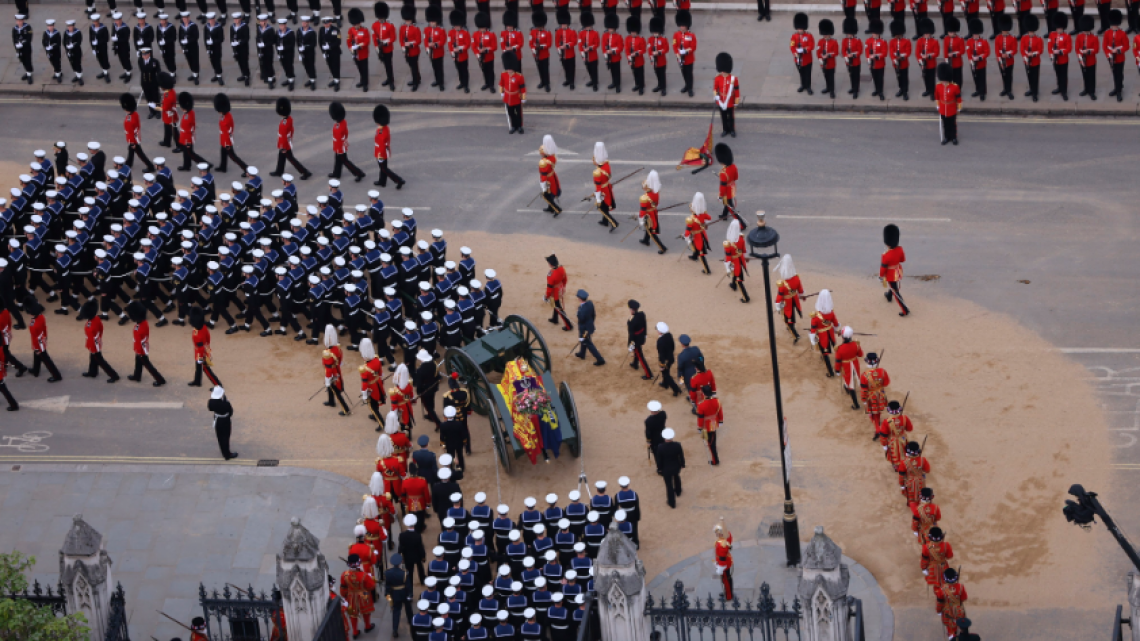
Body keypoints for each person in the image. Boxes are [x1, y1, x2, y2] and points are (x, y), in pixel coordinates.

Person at [127, 301, 166, 386]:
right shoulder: (144, 323)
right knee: (138, 363)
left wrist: (138, 351)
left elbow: (138, 341)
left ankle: (160, 380)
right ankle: (137, 376)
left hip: (141, 349)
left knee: (148, 365)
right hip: (143, 347)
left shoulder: (138, 329)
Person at [80, 299, 120, 382]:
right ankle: (92, 372)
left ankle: (114, 375)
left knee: (100, 360)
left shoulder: (92, 324)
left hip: (94, 344)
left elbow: (92, 337)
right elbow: (101, 329)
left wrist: (92, 347)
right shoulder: (96, 318)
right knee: (93, 358)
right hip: (95, 342)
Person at [328, 101, 366, 181]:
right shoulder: (342, 122)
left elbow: (338, 138)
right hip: (339, 146)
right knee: (338, 160)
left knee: (346, 162)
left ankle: (359, 173)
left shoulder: (339, 127)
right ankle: (336, 173)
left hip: (340, 147)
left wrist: (338, 149)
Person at [342, 554, 378, 636]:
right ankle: (367, 626)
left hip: (351, 596)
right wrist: (371, 578)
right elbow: (372, 586)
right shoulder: (364, 575)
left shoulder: (344, 574)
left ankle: (355, 632)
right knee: (366, 612)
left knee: (353, 614)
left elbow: (343, 588)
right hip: (363, 596)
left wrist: (344, 596)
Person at [121, 93, 156, 174]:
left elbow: (130, 133)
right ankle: (129, 163)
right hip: (136, 136)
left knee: (140, 154)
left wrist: (132, 142)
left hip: (133, 139)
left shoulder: (128, 120)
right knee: (130, 150)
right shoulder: (135, 114)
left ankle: (150, 166)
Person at [808, 289, 839, 377]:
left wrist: (813, 340)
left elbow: (813, 330)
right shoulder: (831, 313)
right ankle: (838, 367)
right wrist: (836, 329)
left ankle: (830, 372)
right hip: (831, 332)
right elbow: (836, 323)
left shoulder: (816, 317)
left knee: (825, 354)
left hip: (822, 336)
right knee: (836, 348)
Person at [323, 324, 352, 415]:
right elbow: (340, 360)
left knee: (335, 391)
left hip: (332, 373)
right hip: (337, 370)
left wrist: (327, 379)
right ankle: (331, 401)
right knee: (331, 388)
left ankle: (346, 409)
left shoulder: (328, 352)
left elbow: (328, 368)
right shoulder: (337, 348)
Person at [880, 223, 909, 314]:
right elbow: (903, 260)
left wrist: (881, 277)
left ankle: (905, 310)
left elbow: (883, 268)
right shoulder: (900, 249)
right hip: (898, 271)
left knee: (895, 291)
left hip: (891, 275)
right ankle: (889, 295)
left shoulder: (886, 255)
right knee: (893, 286)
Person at [858, 352, 890, 432]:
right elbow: (886, 384)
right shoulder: (882, 371)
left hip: (871, 396)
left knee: (872, 414)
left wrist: (864, 400)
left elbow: (864, 390)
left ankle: (877, 429)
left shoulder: (864, 375)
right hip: (881, 394)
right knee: (878, 411)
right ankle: (878, 425)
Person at [934, 568, 968, 640]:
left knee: (950, 627)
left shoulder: (942, 589)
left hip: (948, 611)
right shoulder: (961, 586)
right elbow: (963, 598)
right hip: (959, 609)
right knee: (961, 624)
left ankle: (952, 637)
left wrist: (939, 611)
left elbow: (939, 603)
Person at [834, 326, 863, 410]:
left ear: (843, 337)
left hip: (846, 366)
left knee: (850, 384)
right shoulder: (856, 344)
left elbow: (838, 361)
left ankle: (856, 405)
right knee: (853, 378)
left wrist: (837, 370)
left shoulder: (840, 348)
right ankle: (846, 387)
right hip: (855, 364)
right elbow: (860, 354)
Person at [207, 386, 239, 459]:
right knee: (226, 437)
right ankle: (227, 455)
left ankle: (223, 451)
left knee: (220, 437)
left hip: (217, 420)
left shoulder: (211, 402)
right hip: (225, 421)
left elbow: (210, 408)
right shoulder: (226, 403)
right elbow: (230, 412)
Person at [543, 254, 573, 331]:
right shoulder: (562, 268)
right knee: (555, 305)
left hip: (554, 293)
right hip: (560, 289)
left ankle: (568, 325)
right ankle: (555, 319)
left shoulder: (551, 274)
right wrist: (563, 287)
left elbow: (549, 289)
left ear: (550, 264)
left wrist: (546, 296)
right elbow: (565, 279)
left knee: (559, 308)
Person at [1103, 10, 1128, 101]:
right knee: (1114, 73)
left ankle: (1119, 91)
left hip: (1120, 57)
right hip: (1111, 57)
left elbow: (1126, 46)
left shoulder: (1122, 33)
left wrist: (1118, 50)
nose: (1114, 26)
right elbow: (1104, 46)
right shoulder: (1107, 33)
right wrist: (1108, 55)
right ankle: (1117, 87)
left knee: (1119, 74)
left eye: (1115, 24)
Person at [575, 289, 604, 366]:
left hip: (584, 330)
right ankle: (582, 353)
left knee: (589, 344)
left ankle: (600, 359)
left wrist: (577, 313)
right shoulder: (590, 303)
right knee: (584, 342)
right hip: (589, 326)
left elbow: (581, 319)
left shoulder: (581, 310)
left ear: (580, 299)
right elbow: (593, 315)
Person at [656, 428, 684, 507]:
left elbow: (659, 460)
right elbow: (681, 456)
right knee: (677, 477)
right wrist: (682, 464)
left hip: (666, 469)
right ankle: (678, 491)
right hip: (676, 466)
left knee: (669, 485)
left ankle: (672, 502)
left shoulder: (660, 447)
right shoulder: (677, 445)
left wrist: (659, 468)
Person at [386, 554, 413, 635]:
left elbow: (387, 585)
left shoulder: (388, 573)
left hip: (395, 594)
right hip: (404, 593)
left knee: (396, 611)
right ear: (400, 563)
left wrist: (388, 595)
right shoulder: (404, 573)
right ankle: (411, 620)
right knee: (408, 608)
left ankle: (395, 629)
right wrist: (410, 594)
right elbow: (408, 585)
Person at [500, 52, 526, 134]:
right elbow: (501, 84)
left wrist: (523, 98)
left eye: (510, 69)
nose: (509, 70)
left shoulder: (519, 76)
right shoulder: (503, 75)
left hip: (517, 97)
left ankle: (520, 126)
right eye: (508, 68)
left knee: (519, 114)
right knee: (511, 113)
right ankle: (513, 126)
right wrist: (502, 93)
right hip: (508, 97)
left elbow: (522, 88)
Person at [373, 2, 397, 90]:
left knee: (388, 65)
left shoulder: (390, 25)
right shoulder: (375, 25)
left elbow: (393, 38)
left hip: (388, 48)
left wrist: (386, 43)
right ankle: (389, 78)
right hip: (380, 48)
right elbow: (374, 36)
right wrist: (376, 46)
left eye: (381, 17)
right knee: (385, 64)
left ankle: (391, 81)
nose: (380, 19)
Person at [654, 323, 682, 396]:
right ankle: (665, 383)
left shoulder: (660, 341)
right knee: (666, 372)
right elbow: (673, 347)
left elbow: (661, 355)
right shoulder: (669, 335)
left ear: (660, 331)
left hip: (665, 361)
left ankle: (676, 389)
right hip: (670, 358)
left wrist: (662, 365)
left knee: (666, 375)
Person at [1047, 13, 1071, 100]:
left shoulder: (1067, 36)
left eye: (1060, 28)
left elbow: (1069, 48)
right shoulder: (1052, 35)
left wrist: (1060, 51)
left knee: (1063, 75)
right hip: (1055, 59)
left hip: (1063, 59)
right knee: (1057, 74)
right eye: (1057, 28)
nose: (1058, 30)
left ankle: (1064, 91)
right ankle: (1059, 88)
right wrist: (1051, 55)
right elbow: (1049, 46)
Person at [672, 10, 696, 96]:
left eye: (683, 25)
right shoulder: (676, 35)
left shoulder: (691, 35)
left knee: (689, 74)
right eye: (681, 25)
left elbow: (693, 47)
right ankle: (686, 85)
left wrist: (686, 51)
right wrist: (677, 53)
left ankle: (690, 88)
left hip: (689, 58)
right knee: (684, 73)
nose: (682, 27)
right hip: (680, 58)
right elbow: (674, 45)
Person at [1075, 16, 1099, 99]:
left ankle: (1092, 91)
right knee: (1085, 75)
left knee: (1091, 76)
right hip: (1082, 60)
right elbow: (1077, 48)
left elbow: (1096, 49)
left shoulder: (1094, 37)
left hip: (1091, 60)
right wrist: (1080, 55)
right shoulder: (1079, 36)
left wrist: (1088, 51)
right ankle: (1086, 89)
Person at [447, 9, 471, 92]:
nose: (456, 27)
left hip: (463, 55)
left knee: (464, 71)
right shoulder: (450, 32)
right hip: (455, 56)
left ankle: (466, 85)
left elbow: (468, 44)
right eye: (455, 25)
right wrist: (452, 53)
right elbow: (450, 44)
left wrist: (460, 48)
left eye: (457, 25)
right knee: (459, 70)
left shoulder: (465, 33)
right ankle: (461, 82)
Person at [626, 300, 651, 379]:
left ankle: (649, 374)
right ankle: (635, 364)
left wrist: (630, 344)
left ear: (632, 309)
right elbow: (645, 325)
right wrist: (645, 335)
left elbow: (631, 334)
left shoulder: (631, 321)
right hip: (641, 337)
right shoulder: (642, 314)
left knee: (640, 356)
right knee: (637, 352)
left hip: (635, 340)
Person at [965, 18, 989, 100]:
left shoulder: (983, 41)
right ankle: (978, 90)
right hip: (973, 63)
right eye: (974, 34)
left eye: (976, 34)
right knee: (975, 77)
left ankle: (982, 92)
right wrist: (971, 59)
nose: (975, 35)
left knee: (982, 78)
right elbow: (968, 51)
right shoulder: (969, 41)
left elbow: (987, 52)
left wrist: (980, 57)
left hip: (981, 63)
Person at [400, 4, 423, 90]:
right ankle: (418, 78)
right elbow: (401, 38)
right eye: (406, 20)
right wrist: (403, 47)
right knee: (411, 65)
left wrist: (411, 44)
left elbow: (418, 40)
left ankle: (415, 82)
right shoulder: (402, 27)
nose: (407, 22)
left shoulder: (415, 28)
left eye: (408, 20)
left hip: (414, 51)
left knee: (414, 67)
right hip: (406, 51)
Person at [791, 13, 814, 94]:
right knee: (801, 73)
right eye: (798, 28)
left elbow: (811, 46)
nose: (800, 30)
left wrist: (805, 50)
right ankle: (803, 85)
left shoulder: (809, 35)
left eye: (801, 28)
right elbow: (792, 46)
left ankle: (808, 86)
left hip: (807, 59)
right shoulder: (794, 36)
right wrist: (795, 53)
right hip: (798, 59)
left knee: (808, 74)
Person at [538, 135, 562, 215]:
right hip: (553, 176)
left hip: (548, 179)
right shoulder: (553, 157)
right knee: (552, 192)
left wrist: (543, 184)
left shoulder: (544, 162)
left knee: (547, 195)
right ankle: (550, 208)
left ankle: (556, 209)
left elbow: (543, 174)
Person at [865, 19, 888, 99]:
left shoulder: (883, 41)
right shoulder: (868, 41)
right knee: (874, 77)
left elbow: (884, 53)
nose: (873, 34)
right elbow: (867, 51)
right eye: (873, 32)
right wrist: (868, 60)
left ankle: (880, 91)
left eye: (875, 32)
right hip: (872, 63)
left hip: (880, 64)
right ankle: (877, 90)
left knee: (880, 78)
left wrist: (877, 56)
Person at [319, 15, 342, 91]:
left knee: (336, 66)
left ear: (330, 22)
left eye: (327, 23)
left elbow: (338, 41)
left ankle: (337, 81)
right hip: (327, 52)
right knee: (330, 66)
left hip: (334, 52)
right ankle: (335, 79)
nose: (325, 24)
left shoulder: (335, 30)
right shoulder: (321, 30)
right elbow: (320, 41)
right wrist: (323, 51)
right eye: (324, 23)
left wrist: (330, 46)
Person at [713, 520, 733, 600]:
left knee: (726, 580)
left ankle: (728, 596)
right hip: (727, 561)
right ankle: (727, 593)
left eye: (717, 533)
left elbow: (722, 558)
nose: (716, 534)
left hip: (723, 564)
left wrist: (719, 568)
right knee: (727, 579)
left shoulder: (722, 545)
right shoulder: (727, 537)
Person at [13, 14, 35, 85]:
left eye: (20, 21)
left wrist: (22, 44)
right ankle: (28, 71)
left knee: (27, 60)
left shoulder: (28, 27)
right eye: (18, 21)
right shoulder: (14, 29)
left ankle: (29, 74)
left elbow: (29, 38)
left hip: (26, 48)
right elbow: (14, 39)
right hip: (19, 49)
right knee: (22, 60)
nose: (19, 22)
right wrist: (16, 48)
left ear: (23, 20)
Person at [64, 19, 84, 85]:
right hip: (69, 52)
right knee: (72, 63)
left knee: (77, 64)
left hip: (76, 51)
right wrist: (67, 47)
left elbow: (79, 41)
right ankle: (77, 75)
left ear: (73, 26)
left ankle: (79, 77)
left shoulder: (78, 32)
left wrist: (73, 45)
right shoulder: (66, 32)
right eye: (68, 26)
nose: (69, 28)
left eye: (71, 26)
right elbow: (64, 41)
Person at [43, 18, 63, 84]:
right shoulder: (45, 33)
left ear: (53, 26)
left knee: (57, 63)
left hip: (56, 52)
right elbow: (43, 41)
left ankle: (58, 74)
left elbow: (59, 43)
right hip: (49, 51)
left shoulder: (57, 33)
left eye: (51, 26)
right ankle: (57, 72)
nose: (50, 27)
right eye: (48, 26)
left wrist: (52, 47)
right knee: (52, 62)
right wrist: (46, 46)